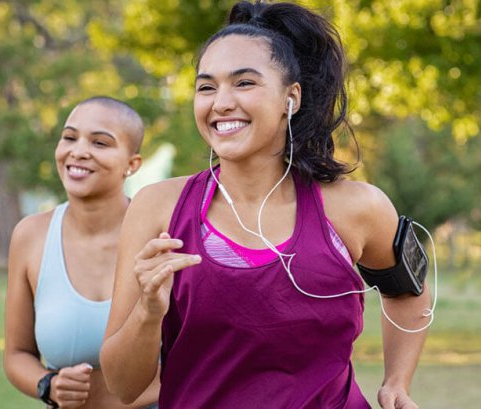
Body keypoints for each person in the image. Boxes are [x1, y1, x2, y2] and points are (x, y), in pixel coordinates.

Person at [100, 2, 431, 408]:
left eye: (244, 83)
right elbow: (123, 386)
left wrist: (398, 381)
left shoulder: (356, 208)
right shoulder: (157, 209)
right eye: (206, 87)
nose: (220, 102)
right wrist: (148, 313)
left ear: (290, 97)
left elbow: (408, 293)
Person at [4, 96, 159, 408]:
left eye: (100, 143)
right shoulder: (30, 235)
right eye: (69, 137)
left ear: (132, 164)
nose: (78, 151)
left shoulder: (161, 237)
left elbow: (203, 354)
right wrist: (49, 384)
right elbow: (17, 354)